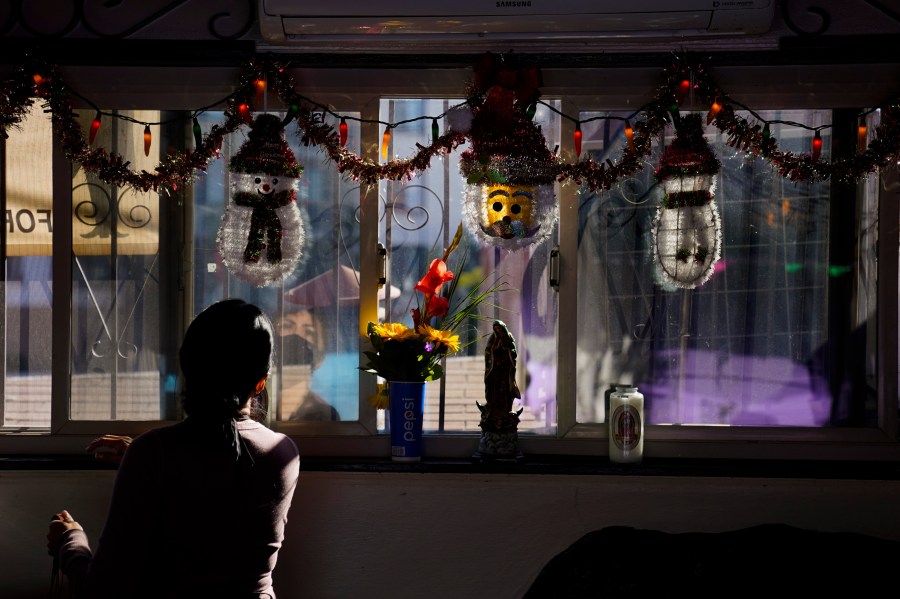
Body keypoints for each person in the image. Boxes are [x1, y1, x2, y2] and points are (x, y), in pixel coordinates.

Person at [47, 299, 300, 599]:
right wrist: (147, 459)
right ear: (260, 383)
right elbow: (218, 481)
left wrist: (70, 541)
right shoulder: (284, 454)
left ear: (187, 369)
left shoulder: (153, 455)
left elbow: (100, 590)